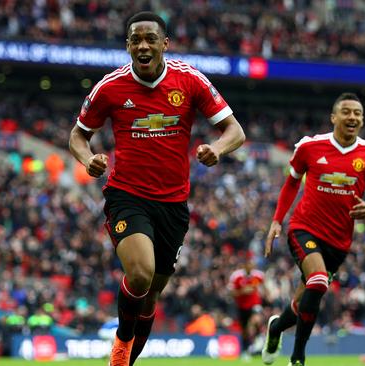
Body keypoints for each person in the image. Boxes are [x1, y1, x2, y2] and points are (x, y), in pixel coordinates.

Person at [68, 11, 245, 366]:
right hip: (127, 196)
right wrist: (87, 160)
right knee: (140, 273)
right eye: (136, 40)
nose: (143, 46)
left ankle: (127, 362)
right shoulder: (111, 86)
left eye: (151, 39)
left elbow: (235, 132)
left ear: (165, 44)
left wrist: (217, 150)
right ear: (128, 46)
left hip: (174, 204)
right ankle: (121, 345)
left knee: (150, 298)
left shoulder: (189, 80)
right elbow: (77, 136)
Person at [261, 93, 365, 366]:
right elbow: (291, 183)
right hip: (303, 228)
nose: (352, 117)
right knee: (318, 280)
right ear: (334, 117)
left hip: (339, 242)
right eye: (346, 112)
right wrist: (276, 221)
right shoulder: (310, 147)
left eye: (357, 113)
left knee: (305, 298)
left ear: (362, 120)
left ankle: (275, 329)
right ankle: (298, 357)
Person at [228, 256, 265, 360]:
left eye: (252, 264)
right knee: (244, 330)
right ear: (244, 265)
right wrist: (242, 291)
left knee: (255, 321)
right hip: (242, 306)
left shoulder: (259, 275)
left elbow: (264, 286)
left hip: (255, 304)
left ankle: (258, 342)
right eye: (248, 264)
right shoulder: (236, 276)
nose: (250, 266)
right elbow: (231, 293)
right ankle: (245, 350)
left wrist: (266, 294)